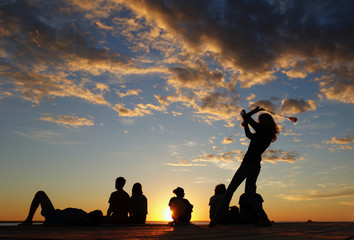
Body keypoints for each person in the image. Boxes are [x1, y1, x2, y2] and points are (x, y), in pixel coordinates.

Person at [209, 106, 279, 227]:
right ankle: (264, 219)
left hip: (247, 164)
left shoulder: (262, 130)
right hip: (256, 166)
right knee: (250, 195)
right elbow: (249, 136)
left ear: (263, 122)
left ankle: (217, 217)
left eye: (259, 120)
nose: (258, 122)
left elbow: (247, 117)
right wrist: (246, 123)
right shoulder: (266, 133)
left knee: (230, 190)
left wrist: (252, 112)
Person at [19, 191, 103, 226]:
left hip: (53, 215)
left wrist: (88, 221)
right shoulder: (85, 215)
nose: (94, 210)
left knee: (40, 193)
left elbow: (70, 215)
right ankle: (29, 220)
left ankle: (29, 220)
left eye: (95, 212)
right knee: (40, 193)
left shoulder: (83, 220)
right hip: (55, 214)